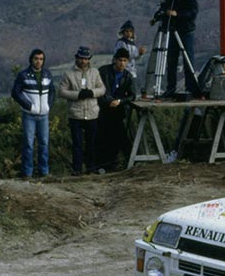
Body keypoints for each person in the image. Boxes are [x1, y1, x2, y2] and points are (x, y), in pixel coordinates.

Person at [59, 46, 105, 175]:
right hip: (76, 114)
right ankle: (77, 169)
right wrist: (77, 95)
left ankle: (91, 168)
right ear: (77, 57)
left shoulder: (95, 72)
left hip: (92, 113)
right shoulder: (68, 74)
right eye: (81, 58)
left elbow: (102, 89)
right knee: (77, 144)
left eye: (86, 59)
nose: (83, 61)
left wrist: (92, 92)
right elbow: (62, 91)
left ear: (89, 59)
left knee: (92, 143)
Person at [11, 48, 55, 178]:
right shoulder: (23, 75)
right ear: (31, 59)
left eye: (41, 59)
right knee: (29, 144)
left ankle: (44, 171)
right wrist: (28, 105)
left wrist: (49, 105)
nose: (38, 61)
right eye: (36, 58)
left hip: (44, 115)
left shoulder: (47, 74)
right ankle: (27, 172)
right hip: (29, 115)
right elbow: (15, 93)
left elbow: (52, 91)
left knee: (44, 143)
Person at [98, 47, 137, 171]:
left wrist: (120, 101)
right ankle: (101, 166)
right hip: (103, 109)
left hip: (118, 111)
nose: (122, 63)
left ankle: (115, 165)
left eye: (125, 60)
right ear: (115, 60)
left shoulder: (127, 76)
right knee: (101, 138)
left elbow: (132, 95)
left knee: (117, 137)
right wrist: (109, 101)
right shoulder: (104, 71)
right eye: (120, 60)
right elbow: (101, 89)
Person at [161, 0, 199, 96]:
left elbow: (192, 13)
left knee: (188, 60)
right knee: (171, 61)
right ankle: (171, 88)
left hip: (186, 32)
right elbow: (164, 9)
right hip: (173, 32)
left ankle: (190, 88)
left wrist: (177, 14)